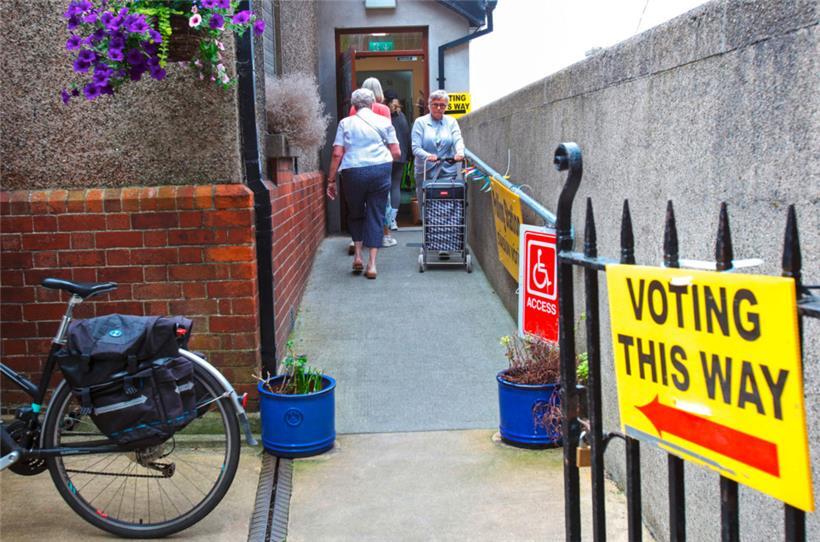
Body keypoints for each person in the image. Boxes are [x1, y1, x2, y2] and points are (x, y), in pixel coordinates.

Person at [327, 88, 401, 280]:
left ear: (354, 105)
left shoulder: (345, 123)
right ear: (372, 104)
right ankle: (372, 265)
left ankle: (358, 256)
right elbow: (396, 152)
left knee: (356, 213)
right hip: (380, 169)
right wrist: (384, 163)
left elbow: (337, 153)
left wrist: (331, 180)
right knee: (376, 214)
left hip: (353, 171)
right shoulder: (385, 122)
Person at [345, 77, 391, 254]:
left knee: (358, 206)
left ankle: (357, 240)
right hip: (380, 162)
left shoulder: (352, 110)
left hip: (356, 163)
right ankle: (383, 235)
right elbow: (389, 136)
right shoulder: (384, 110)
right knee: (379, 204)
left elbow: (350, 135)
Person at [411, 89, 465, 209]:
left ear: (446, 106)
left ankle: (446, 226)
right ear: (429, 105)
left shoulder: (451, 122)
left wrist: (460, 152)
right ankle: (428, 226)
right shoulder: (420, 122)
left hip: (447, 169)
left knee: (447, 201)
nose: (439, 108)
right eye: (435, 104)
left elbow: (457, 139)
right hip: (425, 170)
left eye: (442, 105)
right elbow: (415, 147)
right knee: (426, 204)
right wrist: (428, 156)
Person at [384, 89, 412, 233]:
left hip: (385, 156)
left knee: (384, 187)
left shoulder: (383, 116)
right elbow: (408, 137)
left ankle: (385, 220)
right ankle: (393, 220)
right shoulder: (402, 117)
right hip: (400, 157)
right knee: (395, 186)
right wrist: (408, 156)